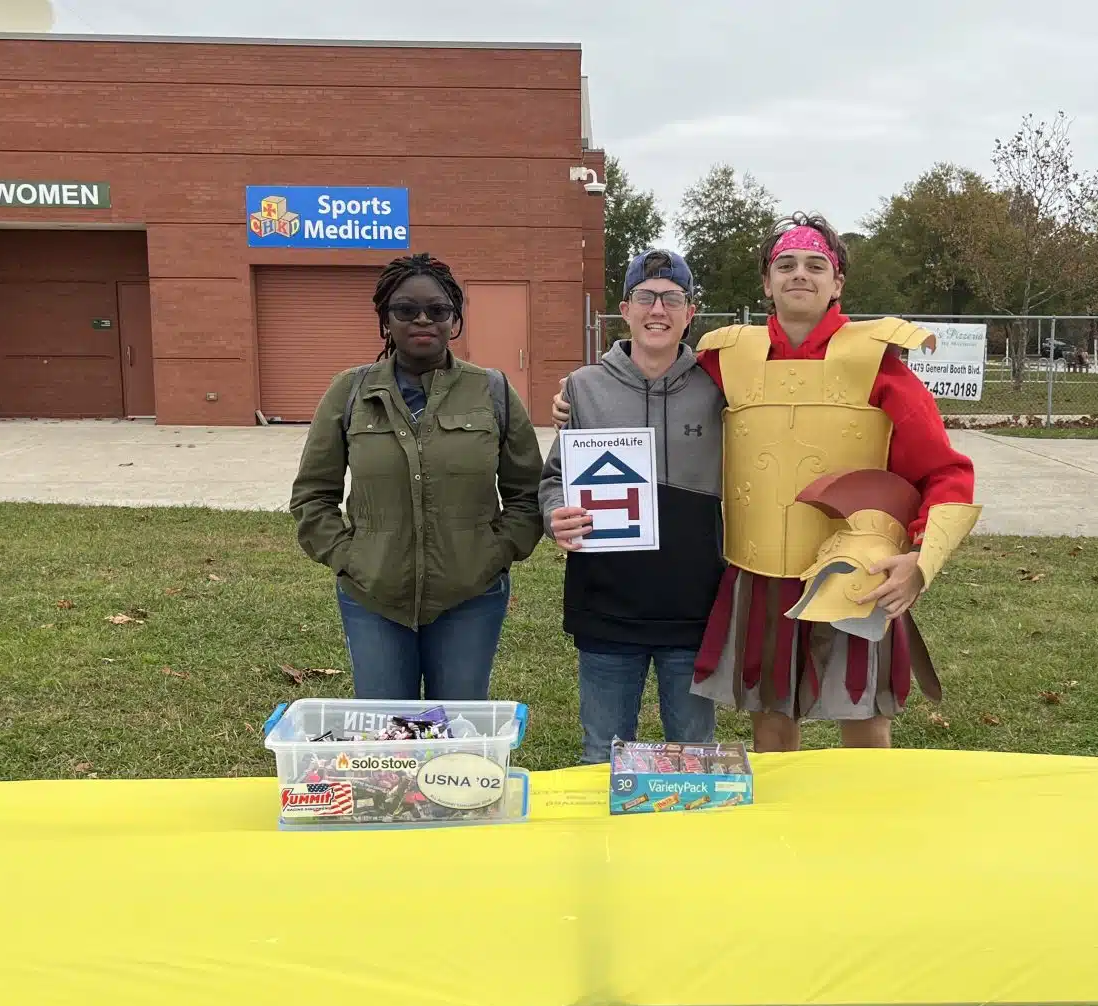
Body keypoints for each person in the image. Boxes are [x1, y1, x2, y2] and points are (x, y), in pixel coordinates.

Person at [555, 215, 979, 752]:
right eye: (786, 264)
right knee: (772, 720)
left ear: (837, 282)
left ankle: (868, 809)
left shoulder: (879, 363)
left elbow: (944, 471)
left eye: (815, 265)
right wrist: (582, 397)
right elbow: (657, 376)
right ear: (766, 282)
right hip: (760, 574)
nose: (799, 274)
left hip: (859, 567)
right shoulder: (727, 359)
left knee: (865, 721)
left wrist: (920, 558)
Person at [289, 253, 543, 701]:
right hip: (373, 596)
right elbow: (313, 494)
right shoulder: (350, 392)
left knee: (459, 725)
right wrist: (348, 557)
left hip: (471, 594)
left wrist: (496, 552)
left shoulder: (493, 391)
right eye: (406, 309)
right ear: (385, 320)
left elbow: (527, 492)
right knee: (387, 730)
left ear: (455, 319)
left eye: (438, 309)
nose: (423, 319)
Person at [541, 250, 725, 763]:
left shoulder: (720, 389)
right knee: (602, 754)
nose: (657, 310)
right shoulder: (583, 388)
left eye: (672, 299)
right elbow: (554, 479)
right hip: (606, 602)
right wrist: (555, 514)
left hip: (694, 603)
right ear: (624, 310)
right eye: (645, 297)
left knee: (693, 757)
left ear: (690, 313)